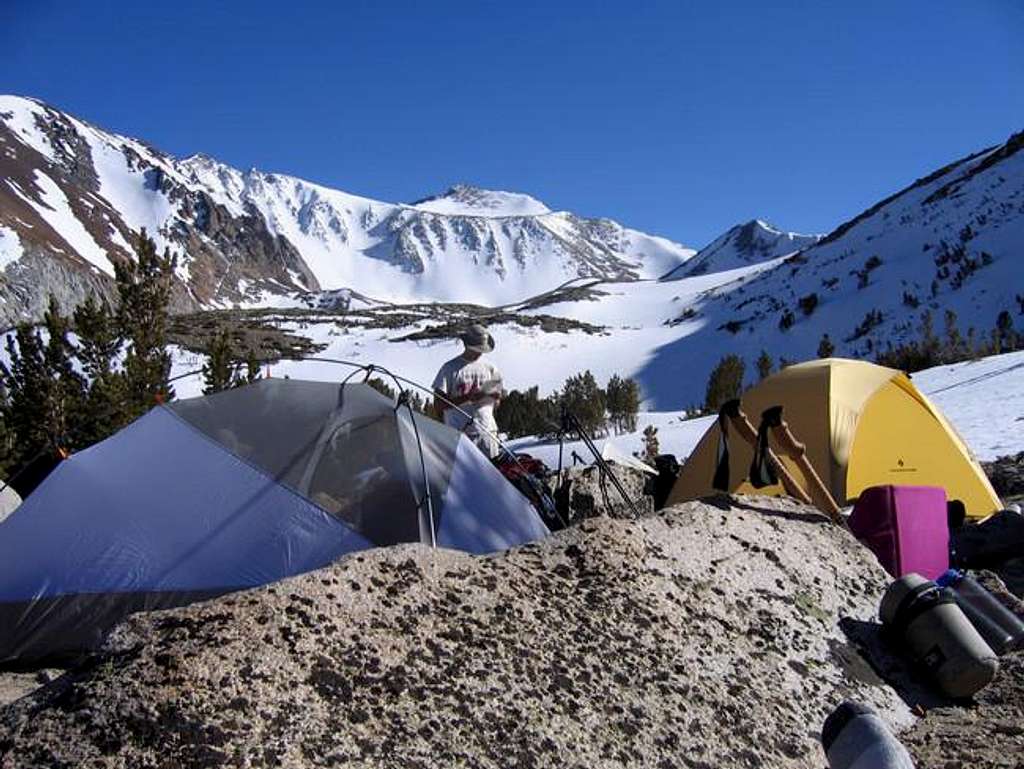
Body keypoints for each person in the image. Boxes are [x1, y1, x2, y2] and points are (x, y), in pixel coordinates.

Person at [432, 324, 503, 458]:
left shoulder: (491, 368)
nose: (480, 352)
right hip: (459, 435)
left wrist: (494, 398)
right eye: (477, 349)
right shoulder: (450, 368)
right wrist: (468, 398)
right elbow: (438, 405)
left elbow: (497, 403)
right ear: (466, 345)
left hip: (488, 433)